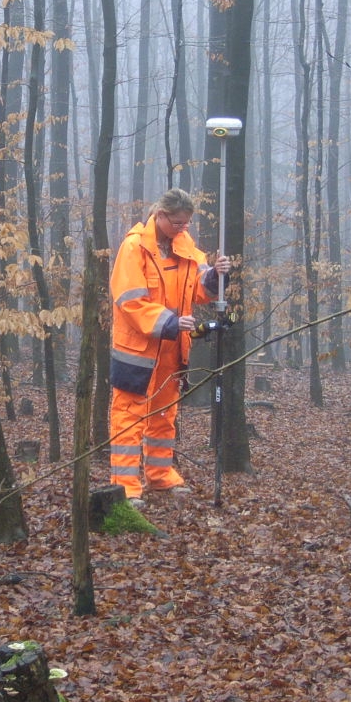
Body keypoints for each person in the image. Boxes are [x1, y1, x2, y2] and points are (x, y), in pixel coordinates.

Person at [108, 188, 233, 506]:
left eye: (187, 223)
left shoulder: (186, 247)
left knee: (164, 414)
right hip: (138, 349)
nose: (183, 228)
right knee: (129, 414)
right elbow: (129, 300)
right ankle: (125, 485)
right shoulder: (134, 247)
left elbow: (201, 289)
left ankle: (160, 476)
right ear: (160, 215)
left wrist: (218, 276)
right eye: (177, 222)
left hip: (173, 350)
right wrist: (171, 322)